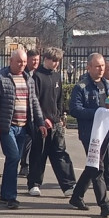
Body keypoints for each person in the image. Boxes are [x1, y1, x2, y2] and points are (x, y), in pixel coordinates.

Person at [0, 49, 45, 210]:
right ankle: (11, 197)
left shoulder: (28, 79)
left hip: (23, 127)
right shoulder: (1, 78)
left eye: (24, 62)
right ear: (11, 61)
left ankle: (4, 195)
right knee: (13, 157)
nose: (22, 65)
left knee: (13, 160)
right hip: (8, 127)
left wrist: (40, 122)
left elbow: (34, 102)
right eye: (19, 61)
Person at [69, 53, 109, 218]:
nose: (101, 69)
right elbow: (75, 109)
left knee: (92, 166)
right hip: (90, 134)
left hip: (106, 132)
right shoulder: (81, 87)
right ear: (89, 67)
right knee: (98, 167)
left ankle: (76, 196)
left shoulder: (107, 84)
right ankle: (105, 205)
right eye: (97, 66)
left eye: (102, 66)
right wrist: (97, 112)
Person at [28, 46, 76, 198]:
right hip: (41, 124)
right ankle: (34, 184)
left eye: (58, 61)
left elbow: (59, 98)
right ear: (46, 59)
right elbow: (34, 101)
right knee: (39, 154)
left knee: (60, 153)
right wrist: (42, 119)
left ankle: (68, 185)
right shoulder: (37, 76)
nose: (56, 64)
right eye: (54, 60)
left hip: (55, 123)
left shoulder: (57, 76)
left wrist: (60, 116)